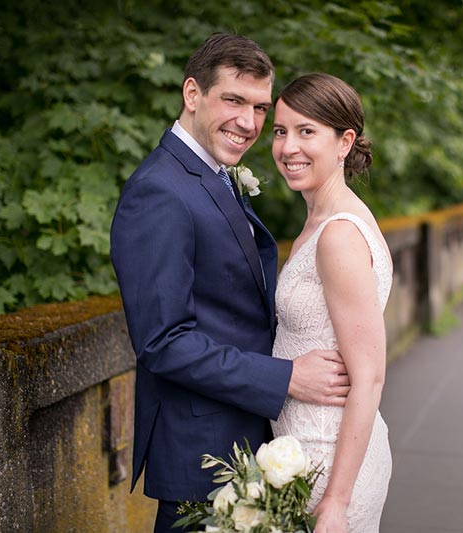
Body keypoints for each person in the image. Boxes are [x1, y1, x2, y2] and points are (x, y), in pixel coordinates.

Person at [109, 35, 350, 532]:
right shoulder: (159, 190)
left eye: (261, 108)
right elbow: (163, 343)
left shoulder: (210, 174)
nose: (249, 123)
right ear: (192, 94)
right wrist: (285, 378)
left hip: (242, 448)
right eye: (234, 100)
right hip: (202, 461)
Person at [269, 73, 393, 533]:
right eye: (281, 131)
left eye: (306, 132)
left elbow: (370, 376)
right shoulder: (321, 221)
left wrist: (336, 501)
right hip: (301, 455)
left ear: (344, 142)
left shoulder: (338, 234)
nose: (288, 147)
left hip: (325, 464)